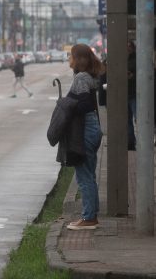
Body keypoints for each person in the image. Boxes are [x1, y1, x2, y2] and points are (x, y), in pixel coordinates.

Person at [66, 44, 105, 230]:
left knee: (84, 177)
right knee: (89, 174)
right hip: (93, 128)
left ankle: (89, 218)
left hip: (85, 129)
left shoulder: (81, 78)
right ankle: (92, 214)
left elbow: (84, 106)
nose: (70, 59)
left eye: (72, 56)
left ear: (77, 58)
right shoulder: (90, 75)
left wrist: (67, 105)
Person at [127, 41, 137, 150]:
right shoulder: (121, 59)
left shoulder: (136, 59)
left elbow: (141, 74)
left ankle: (142, 140)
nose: (127, 49)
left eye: (129, 46)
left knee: (137, 118)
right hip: (126, 93)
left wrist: (132, 76)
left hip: (134, 93)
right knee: (127, 120)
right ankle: (130, 142)